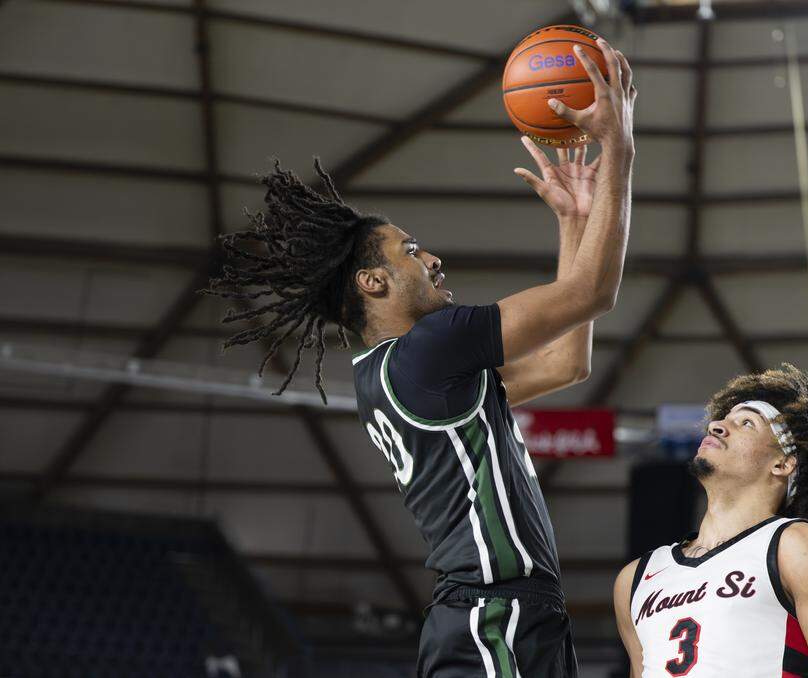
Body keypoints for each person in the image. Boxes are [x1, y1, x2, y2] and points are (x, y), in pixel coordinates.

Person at [207, 38, 636, 678]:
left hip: (494, 614)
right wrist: (620, 148)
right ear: (372, 283)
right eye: (411, 250)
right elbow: (592, 293)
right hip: (497, 615)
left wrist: (575, 220)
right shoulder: (434, 347)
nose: (432, 258)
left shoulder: (390, 374)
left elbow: (565, 364)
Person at [613, 365, 808, 677]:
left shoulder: (798, 547)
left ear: (782, 463)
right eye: (722, 420)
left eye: (745, 423)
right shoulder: (635, 579)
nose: (717, 426)